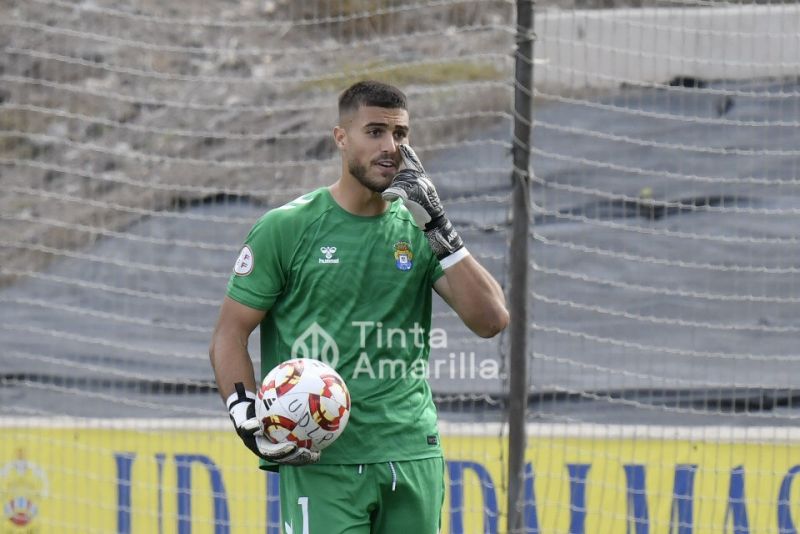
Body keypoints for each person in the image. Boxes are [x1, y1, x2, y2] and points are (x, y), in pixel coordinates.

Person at [209, 80, 509, 533]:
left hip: (412, 452)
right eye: (375, 132)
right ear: (341, 137)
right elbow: (229, 334)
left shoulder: (420, 229)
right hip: (322, 459)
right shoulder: (286, 228)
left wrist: (441, 225)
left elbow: (491, 321)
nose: (391, 147)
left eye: (401, 134)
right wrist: (243, 412)